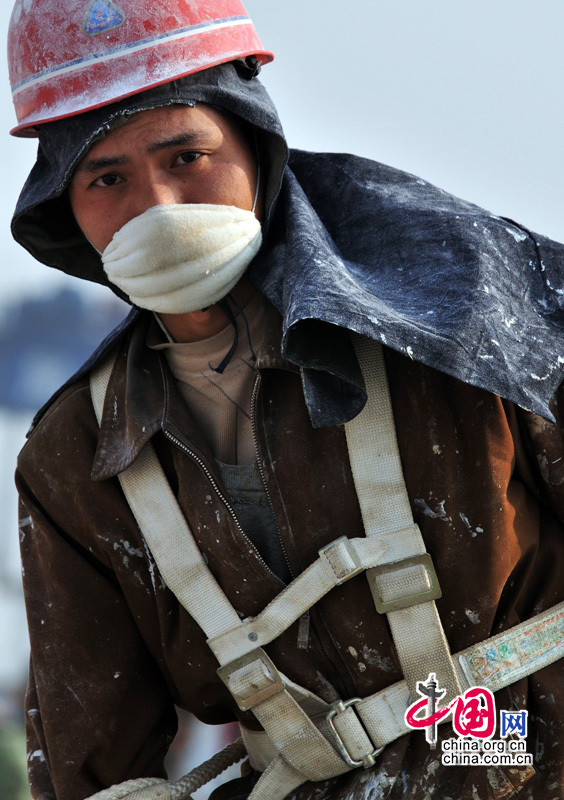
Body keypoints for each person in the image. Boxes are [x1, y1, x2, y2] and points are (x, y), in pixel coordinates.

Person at [8, 1, 564, 799]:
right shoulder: (76, 455)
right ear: (64, 207)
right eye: (107, 177)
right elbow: (93, 765)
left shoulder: (463, 308)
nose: (158, 205)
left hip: (522, 753)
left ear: (255, 143)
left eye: (187, 155)